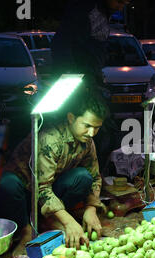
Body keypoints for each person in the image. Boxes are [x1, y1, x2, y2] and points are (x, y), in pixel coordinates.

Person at [0, 86, 109, 257]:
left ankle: (50, 221)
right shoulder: (50, 139)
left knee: (82, 177)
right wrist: (69, 220)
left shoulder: (87, 141)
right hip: (24, 195)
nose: (92, 133)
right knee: (7, 183)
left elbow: (94, 177)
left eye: (97, 127)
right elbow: (41, 188)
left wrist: (91, 208)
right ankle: (26, 231)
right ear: (71, 118)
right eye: (87, 126)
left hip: (49, 194)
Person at [51, 0, 131, 174]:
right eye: (119, 1)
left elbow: (93, 48)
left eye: (125, 3)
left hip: (91, 80)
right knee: (90, 134)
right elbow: (62, 43)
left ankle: (93, 179)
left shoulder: (101, 12)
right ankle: (82, 180)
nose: (121, 7)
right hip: (78, 82)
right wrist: (74, 79)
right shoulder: (85, 8)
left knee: (103, 133)